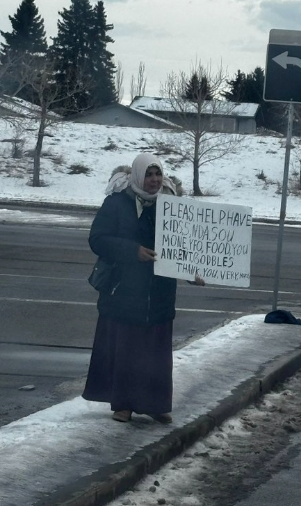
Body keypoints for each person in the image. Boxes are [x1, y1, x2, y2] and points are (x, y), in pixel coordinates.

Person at [82, 153, 204, 424]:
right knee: (126, 349)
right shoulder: (116, 202)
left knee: (154, 352)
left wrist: (193, 272)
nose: (154, 180)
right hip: (123, 292)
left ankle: (154, 403)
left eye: (158, 174)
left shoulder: (173, 206)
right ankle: (122, 404)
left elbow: (182, 247)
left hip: (158, 294)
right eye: (148, 175)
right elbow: (97, 239)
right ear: (138, 176)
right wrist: (132, 251)